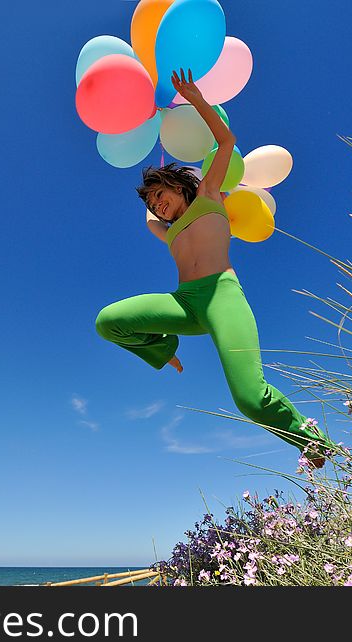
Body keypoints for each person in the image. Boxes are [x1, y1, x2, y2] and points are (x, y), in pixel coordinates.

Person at [95, 68, 334, 468]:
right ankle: (165, 348)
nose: (157, 205)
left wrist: (195, 99)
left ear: (180, 185)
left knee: (249, 398)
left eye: (160, 195)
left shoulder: (208, 196)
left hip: (222, 296)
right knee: (108, 321)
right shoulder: (165, 231)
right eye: (151, 203)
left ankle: (313, 442)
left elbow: (226, 141)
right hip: (185, 304)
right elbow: (151, 218)